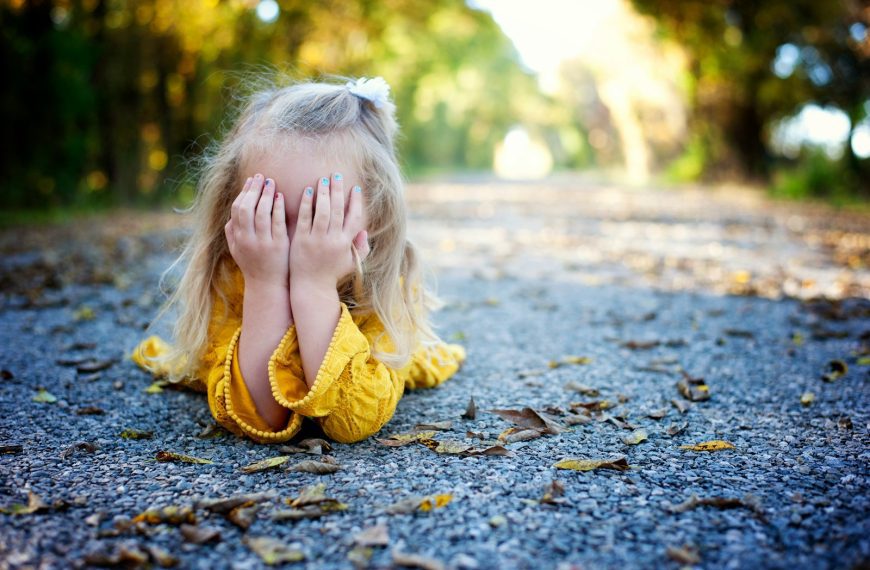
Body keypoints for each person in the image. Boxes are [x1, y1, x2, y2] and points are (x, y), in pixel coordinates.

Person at [131, 75, 466, 444]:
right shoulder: (233, 274)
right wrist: (264, 285)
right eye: (268, 213)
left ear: (377, 215)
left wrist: (314, 286)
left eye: (321, 215)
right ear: (233, 207)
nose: (297, 244)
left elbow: (355, 420)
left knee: (421, 361)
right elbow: (259, 416)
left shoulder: (383, 283)